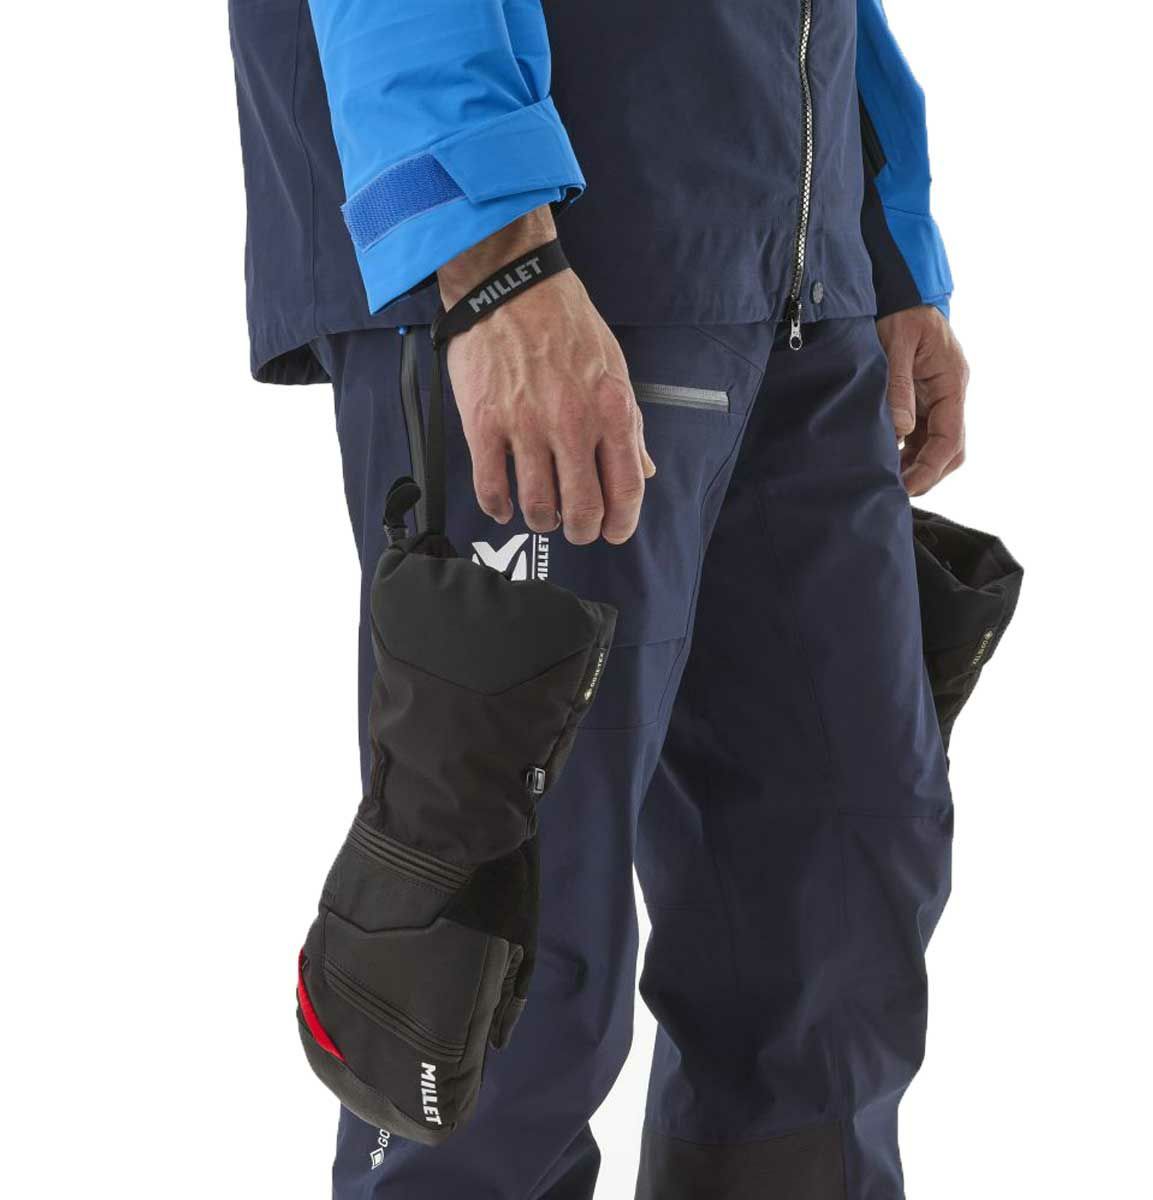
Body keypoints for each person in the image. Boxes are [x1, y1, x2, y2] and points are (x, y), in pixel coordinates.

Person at [228, 1, 969, 1195]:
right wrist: (491, 251)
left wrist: (887, 244)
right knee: (503, 949)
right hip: (552, 260)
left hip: (800, 270)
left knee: (835, 889)